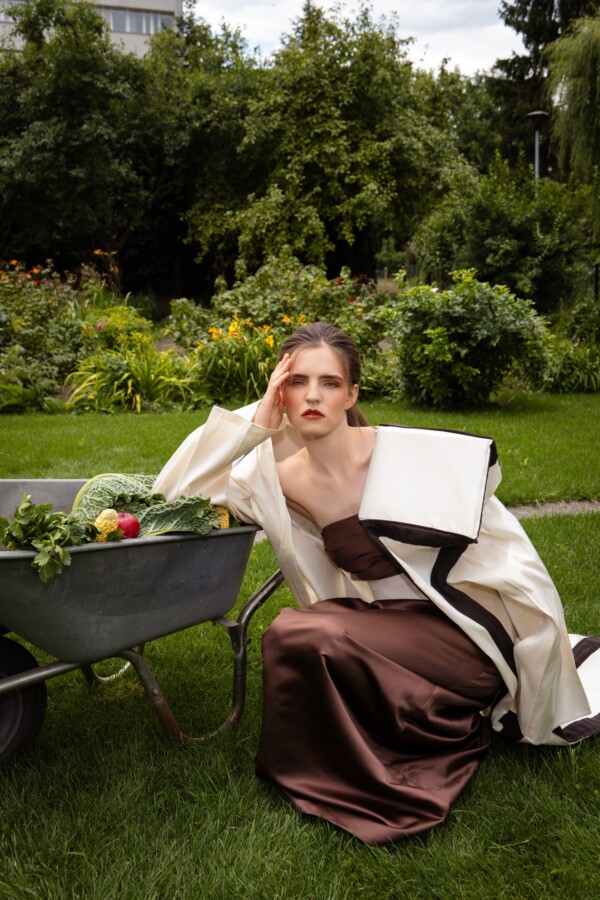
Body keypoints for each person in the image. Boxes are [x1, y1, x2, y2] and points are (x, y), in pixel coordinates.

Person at [154, 321, 599, 845]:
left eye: (330, 383)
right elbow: (173, 496)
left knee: (298, 631)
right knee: (301, 633)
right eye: (297, 382)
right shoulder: (284, 479)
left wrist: (536, 648)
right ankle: (336, 763)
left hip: (468, 641)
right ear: (281, 391)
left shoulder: (410, 456)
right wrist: (256, 424)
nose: (313, 396)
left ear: (352, 394)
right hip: (390, 633)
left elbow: (510, 558)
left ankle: (358, 771)